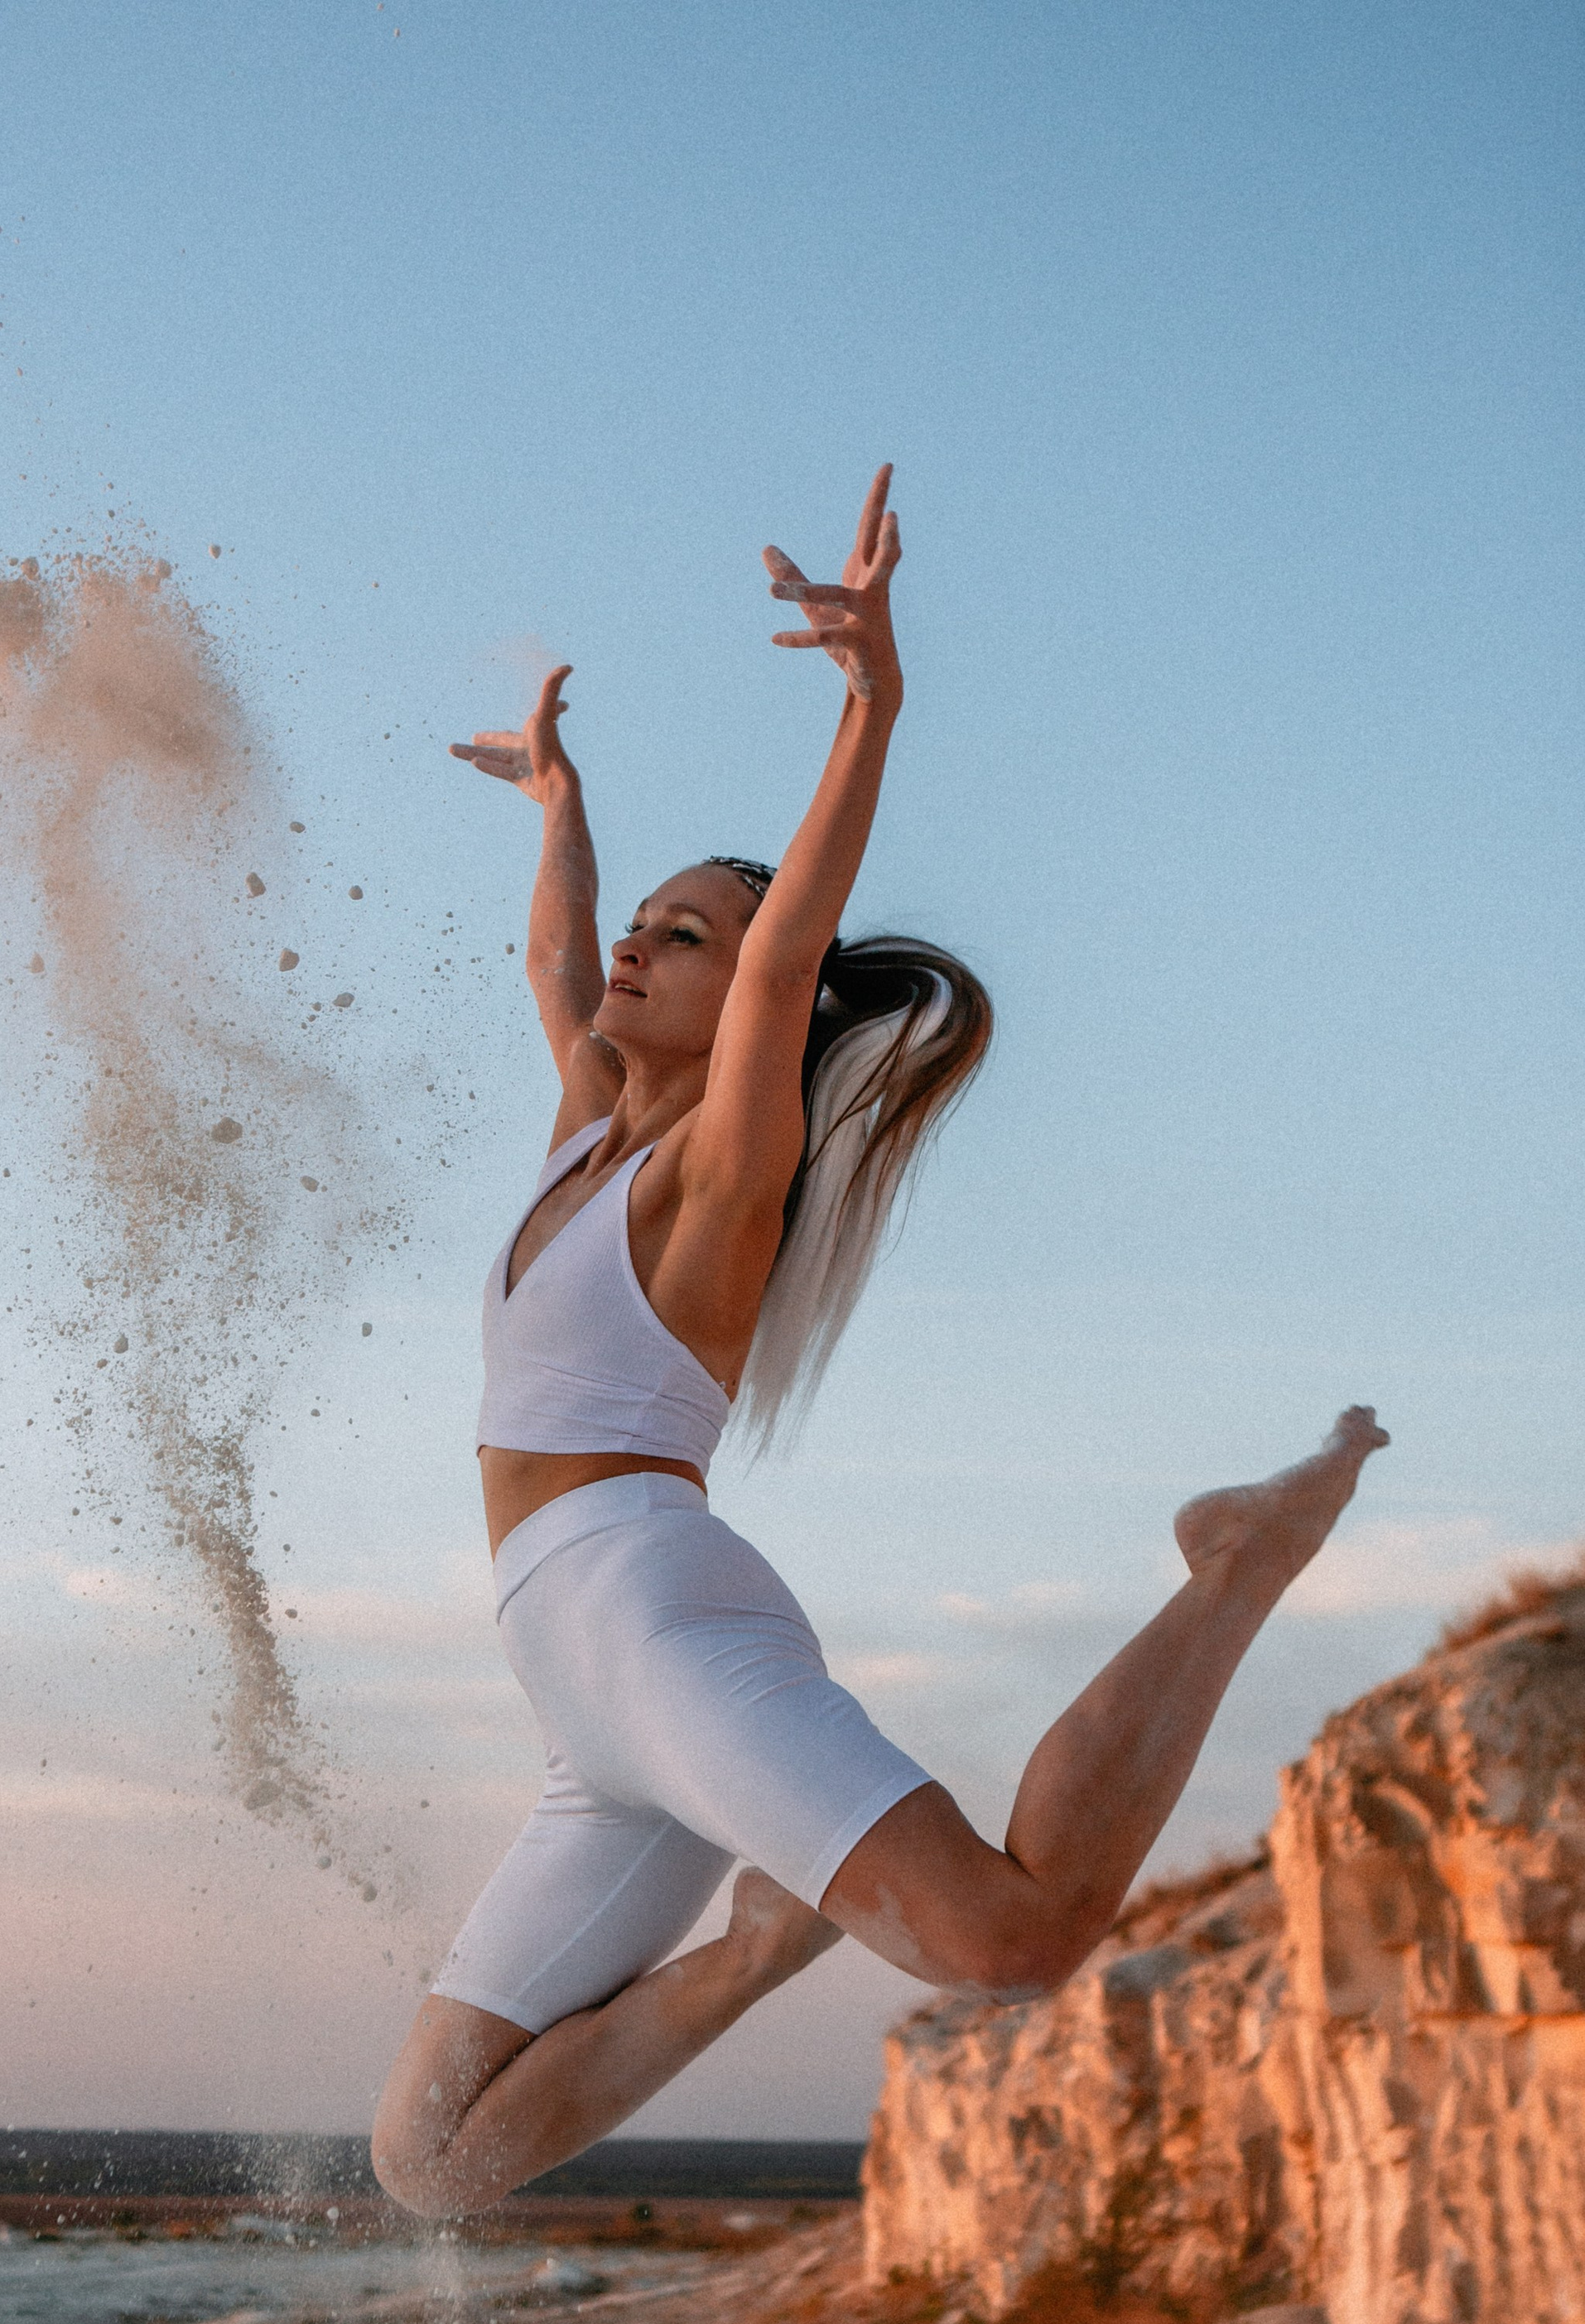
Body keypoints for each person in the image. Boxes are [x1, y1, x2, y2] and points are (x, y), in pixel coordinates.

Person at [370, 466, 1385, 2219]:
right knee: (432, 2161)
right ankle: (768, 1939)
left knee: (1011, 1934)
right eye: (644, 924)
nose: (635, 948)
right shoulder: (584, 1129)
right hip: (577, 1683)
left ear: (751, 975)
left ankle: (1225, 1563)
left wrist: (870, 704)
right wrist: (559, 807)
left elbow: (773, 981)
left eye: (680, 937)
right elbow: (552, 969)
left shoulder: (715, 1171)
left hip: (649, 1612)